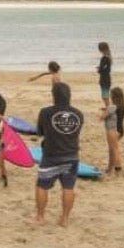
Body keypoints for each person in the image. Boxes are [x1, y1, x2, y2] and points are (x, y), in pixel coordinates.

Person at [36, 82, 84, 226]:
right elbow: (75, 133)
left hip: (51, 155)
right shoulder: (78, 114)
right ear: (69, 96)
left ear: (54, 96)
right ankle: (65, 219)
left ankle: (40, 217)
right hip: (71, 154)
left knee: (42, 186)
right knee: (68, 187)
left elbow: (40, 132)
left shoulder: (45, 112)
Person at [102, 87, 124, 175]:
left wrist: (105, 112)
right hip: (120, 129)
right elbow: (115, 112)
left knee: (114, 150)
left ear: (114, 96)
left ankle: (117, 169)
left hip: (113, 130)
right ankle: (110, 168)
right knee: (112, 149)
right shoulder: (123, 105)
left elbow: (102, 117)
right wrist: (107, 110)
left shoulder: (112, 107)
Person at [97, 42, 113, 108]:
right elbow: (106, 68)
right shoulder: (109, 57)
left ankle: (108, 108)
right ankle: (107, 107)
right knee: (105, 94)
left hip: (104, 78)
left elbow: (101, 69)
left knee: (104, 95)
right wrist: (100, 69)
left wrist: (99, 69)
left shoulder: (104, 58)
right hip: (107, 77)